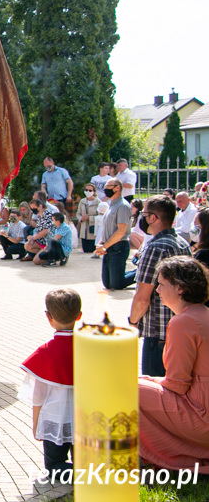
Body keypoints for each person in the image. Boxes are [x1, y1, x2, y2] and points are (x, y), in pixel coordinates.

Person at [138, 256, 209, 473]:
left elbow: (178, 385)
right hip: (202, 406)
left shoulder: (183, 321)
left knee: (121, 388)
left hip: (201, 414)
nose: (157, 290)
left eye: (161, 284)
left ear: (179, 288)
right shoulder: (203, 314)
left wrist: (148, 381)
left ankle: (138, 459)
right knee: (138, 383)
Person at [18, 288, 82, 481]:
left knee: (54, 466)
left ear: (49, 317)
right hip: (85, 419)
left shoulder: (45, 352)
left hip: (54, 419)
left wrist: (36, 423)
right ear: (79, 316)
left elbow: (38, 395)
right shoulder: (92, 347)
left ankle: (83, 475)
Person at [127, 195, 191, 376]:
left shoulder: (155, 248)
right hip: (181, 330)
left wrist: (132, 323)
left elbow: (142, 296)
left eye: (144, 213)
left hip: (158, 333)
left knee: (157, 392)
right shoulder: (183, 244)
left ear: (153, 218)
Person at [95, 178, 133, 290]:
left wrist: (105, 246)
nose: (106, 189)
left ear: (117, 188)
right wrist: (101, 243)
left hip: (118, 247)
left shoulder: (122, 206)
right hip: (108, 247)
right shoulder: (111, 205)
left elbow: (121, 231)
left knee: (117, 284)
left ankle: (139, 273)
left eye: (108, 186)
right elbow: (107, 228)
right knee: (107, 284)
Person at [76, 184, 101, 253]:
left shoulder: (98, 202)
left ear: (94, 191)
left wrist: (89, 218)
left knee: (91, 250)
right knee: (85, 250)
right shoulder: (82, 201)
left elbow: (100, 215)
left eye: (90, 190)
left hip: (93, 229)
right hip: (84, 229)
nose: (88, 192)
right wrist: (81, 219)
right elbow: (78, 213)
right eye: (86, 190)